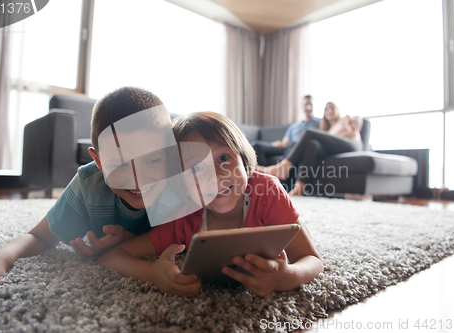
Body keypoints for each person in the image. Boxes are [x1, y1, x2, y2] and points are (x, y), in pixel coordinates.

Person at [96, 112, 324, 298]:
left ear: (243, 160)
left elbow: (312, 260)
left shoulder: (267, 191)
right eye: (195, 168)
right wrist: (152, 272)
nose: (216, 176)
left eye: (224, 158)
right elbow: (112, 255)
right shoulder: (183, 218)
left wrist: (286, 276)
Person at [0, 87, 178, 288]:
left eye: (152, 161)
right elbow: (39, 236)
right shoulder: (89, 184)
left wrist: (127, 239)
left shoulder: (182, 184)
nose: (137, 179)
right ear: (99, 162)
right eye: (120, 165)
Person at [257, 102, 363, 196]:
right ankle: (299, 188)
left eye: (332, 107)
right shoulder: (327, 129)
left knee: (309, 132)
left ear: (338, 110)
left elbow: (355, 121)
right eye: (326, 109)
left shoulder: (344, 119)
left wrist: (355, 119)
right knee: (312, 144)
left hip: (352, 144)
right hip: (335, 148)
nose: (329, 111)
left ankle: (284, 166)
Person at [251, 95, 319, 166]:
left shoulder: (319, 123)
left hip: (299, 149)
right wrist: (278, 143)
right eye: (306, 104)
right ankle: (264, 174)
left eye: (311, 104)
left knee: (294, 144)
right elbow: (284, 143)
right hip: (288, 148)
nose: (308, 107)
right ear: (302, 106)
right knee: (256, 145)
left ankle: (282, 169)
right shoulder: (294, 126)